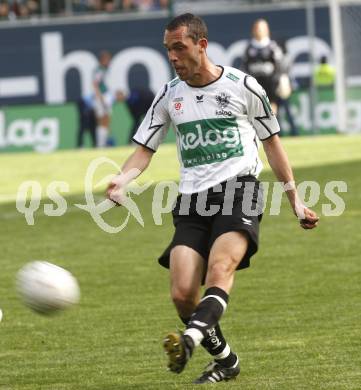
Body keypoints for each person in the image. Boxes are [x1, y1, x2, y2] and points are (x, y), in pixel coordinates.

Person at [107, 13, 319, 384]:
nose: (173, 57)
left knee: (220, 270)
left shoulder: (243, 86)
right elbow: (144, 149)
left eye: (179, 47)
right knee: (181, 295)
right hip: (192, 202)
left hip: (240, 191)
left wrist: (295, 200)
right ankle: (226, 360)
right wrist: (122, 180)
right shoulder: (170, 94)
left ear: (201, 45)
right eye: (168, 49)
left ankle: (189, 340)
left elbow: (272, 144)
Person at [243, 19, 284, 115]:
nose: (259, 31)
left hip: (270, 86)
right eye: (257, 28)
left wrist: (282, 80)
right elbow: (244, 67)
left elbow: (280, 66)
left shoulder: (273, 46)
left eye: (261, 28)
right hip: (254, 86)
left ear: (267, 30)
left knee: (272, 112)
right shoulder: (249, 47)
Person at [93, 50, 113, 147]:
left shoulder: (103, 70)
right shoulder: (99, 70)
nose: (109, 62)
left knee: (104, 121)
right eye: (107, 59)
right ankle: (101, 144)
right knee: (104, 120)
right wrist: (101, 99)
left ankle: (102, 144)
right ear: (102, 60)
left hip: (103, 97)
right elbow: (95, 85)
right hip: (103, 97)